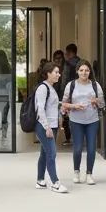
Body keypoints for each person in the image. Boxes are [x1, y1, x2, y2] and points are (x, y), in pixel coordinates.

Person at [61, 60, 105, 184]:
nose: (84, 73)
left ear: (90, 72)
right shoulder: (71, 85)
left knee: (91, 149)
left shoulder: (96, 85)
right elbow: (64, 104)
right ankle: (76, 172)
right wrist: (74, 106)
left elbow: (103, 103)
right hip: (76, 121)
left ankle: (89, 174)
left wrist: (96, 101)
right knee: (78, 148)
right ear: (77, 71)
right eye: (81, 70)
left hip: (92, 120)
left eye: (86, 70)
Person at [34, 60, 68, 193]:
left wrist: (62, 109)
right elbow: (40, 109)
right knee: (51, 153)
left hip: (51, 125)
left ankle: (40, 180)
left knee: (44, 153)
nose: (58, 75)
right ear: (48, 73)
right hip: (44, 126)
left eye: (59, 72)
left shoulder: (51, 88)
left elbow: (51, 106)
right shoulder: (43, 88)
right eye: (56, 72)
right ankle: (55, 183)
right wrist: (47, 127)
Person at [60, 43, 82, 143]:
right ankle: (80, 136)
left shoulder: (67, 64)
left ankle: (68, 138)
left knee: (66, 115)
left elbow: (64, 79)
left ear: (69, 53)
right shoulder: (82, 63)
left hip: (70, 91)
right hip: (81, 92)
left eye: (66, 53)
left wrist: (62, 92)